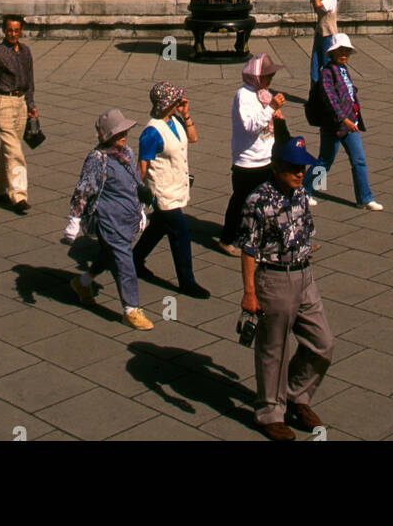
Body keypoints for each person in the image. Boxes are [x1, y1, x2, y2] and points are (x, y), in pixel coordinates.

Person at [238, 135, 334, 440]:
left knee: (323, 343)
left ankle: (295, 394)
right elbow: (249, 249)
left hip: (305, 277)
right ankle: (270, 413)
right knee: (273, 350)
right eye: (293, 168)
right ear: (276, 166)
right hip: (274, 279)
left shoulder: (300, 193)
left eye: (303, 168)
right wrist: (250, 292)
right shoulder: (258, 200)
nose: (300, 173)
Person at [64, 108, 154, 330]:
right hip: (109, 220)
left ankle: (82, 283)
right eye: (118, 133)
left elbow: (134, 184)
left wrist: (141, 209)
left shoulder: (128, 153)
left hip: (128, 219)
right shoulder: (98, 159)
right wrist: (74, 221)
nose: (123, 136)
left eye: (125, 131)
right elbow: (84, 190)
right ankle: (131, 309)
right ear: (107, 136)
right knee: (124, 262)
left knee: (109, 254)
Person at [132, 82, 209, 298]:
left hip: (177, 187)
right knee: (180, 233)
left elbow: (192, 138)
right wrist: (136, 195)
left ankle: (134, 260)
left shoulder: (174, 120)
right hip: (162, 192)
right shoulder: (151, 133)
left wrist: (186, 115)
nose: (179, 102)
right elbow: (142, 167)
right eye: (176, 100)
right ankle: (187, 281)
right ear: (166, 104)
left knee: (158, 227)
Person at [218, 54, 287, 256]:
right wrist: (272, 108)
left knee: (271, 201)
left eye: (271, 76)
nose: (269, 81)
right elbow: (250, 126)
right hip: (247, 161)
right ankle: (227, 238)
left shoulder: (262, 93)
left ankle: (275, 238)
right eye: (267, 76)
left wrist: (274, 112)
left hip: (265, 157)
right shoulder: (244, 95)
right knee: (240, 201)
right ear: (255, 76)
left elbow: (266, 119)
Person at [305, 33, 382, 211]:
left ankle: (365, 198)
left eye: (346, 51)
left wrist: (353, 117)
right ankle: (305, 189)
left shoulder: (344, 69)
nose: (344, 54)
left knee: (359, 160)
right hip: (334, 125)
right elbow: (330, 99)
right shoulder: (327, 72)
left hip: (350, 124)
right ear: (331, 53)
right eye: (340, 51)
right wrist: (344, 119)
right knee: (325, 161)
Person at [0, 15, 36, 214]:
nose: (13, 34)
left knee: (10, 147)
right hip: (2, 101)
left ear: (21, 31)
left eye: (17, 30)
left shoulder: (26, 51)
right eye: (10, 30)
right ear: (4, 30)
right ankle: (19, 195)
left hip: (20, 103)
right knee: (14, 150)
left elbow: (29, 80)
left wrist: (31, 104)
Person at [308, 0, 340, 84]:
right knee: (314, 66)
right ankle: (314, 94)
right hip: (320, 35)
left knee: (327, 65)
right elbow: (317, 8)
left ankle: (328, 92)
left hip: (329, 36)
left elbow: (318, 5)